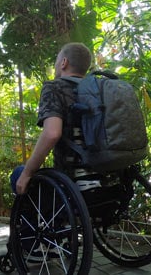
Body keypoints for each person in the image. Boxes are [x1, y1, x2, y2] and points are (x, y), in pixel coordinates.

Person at [12, 42, 92, 195]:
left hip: (70, 180)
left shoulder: (54, 87)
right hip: (107, 177)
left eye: (57, 60)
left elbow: (52, 133)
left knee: (18, 174)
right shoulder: (98, 91)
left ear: (64, 62)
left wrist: (27, 173)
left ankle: (35, 219)